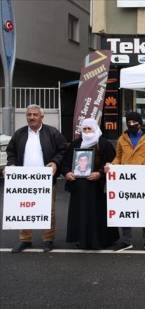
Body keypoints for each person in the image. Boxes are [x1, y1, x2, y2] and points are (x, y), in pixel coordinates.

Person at [7, 104, 66, 253]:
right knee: (24, 208)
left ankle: (48, 239)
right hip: (23, 179)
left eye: (35, 114)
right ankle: (25, 240)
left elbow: (63, 150)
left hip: (45, 179)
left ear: (41, 116)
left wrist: (55, 162)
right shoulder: (19, 134)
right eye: (29, 115)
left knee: (48, 210)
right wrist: (12, 164)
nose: (31, 117)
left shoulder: (52, 133)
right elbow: (11, 151)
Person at [62, 118, 119, 249]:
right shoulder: (76, 143)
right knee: (81, 213)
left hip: (97, 187)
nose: (87, 132)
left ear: (95, 129)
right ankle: (81, 239)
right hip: (79, 187)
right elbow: (65, 163)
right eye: (85, 129)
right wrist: (67, 173)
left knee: (98, 213)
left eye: (90, 129)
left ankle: (102, 240)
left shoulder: (104, 144)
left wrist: (100, 173)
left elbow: (112, 163)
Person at [107, 111, 145, 252]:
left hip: (142, 178)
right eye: (128, 122)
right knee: (125, 209)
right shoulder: (121, 139)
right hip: (125, 179)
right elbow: (118, 157)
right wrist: (111, 165)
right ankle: (126, 240)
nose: (131, 125)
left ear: (140, 123)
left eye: (134, 123)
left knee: (144, 210)